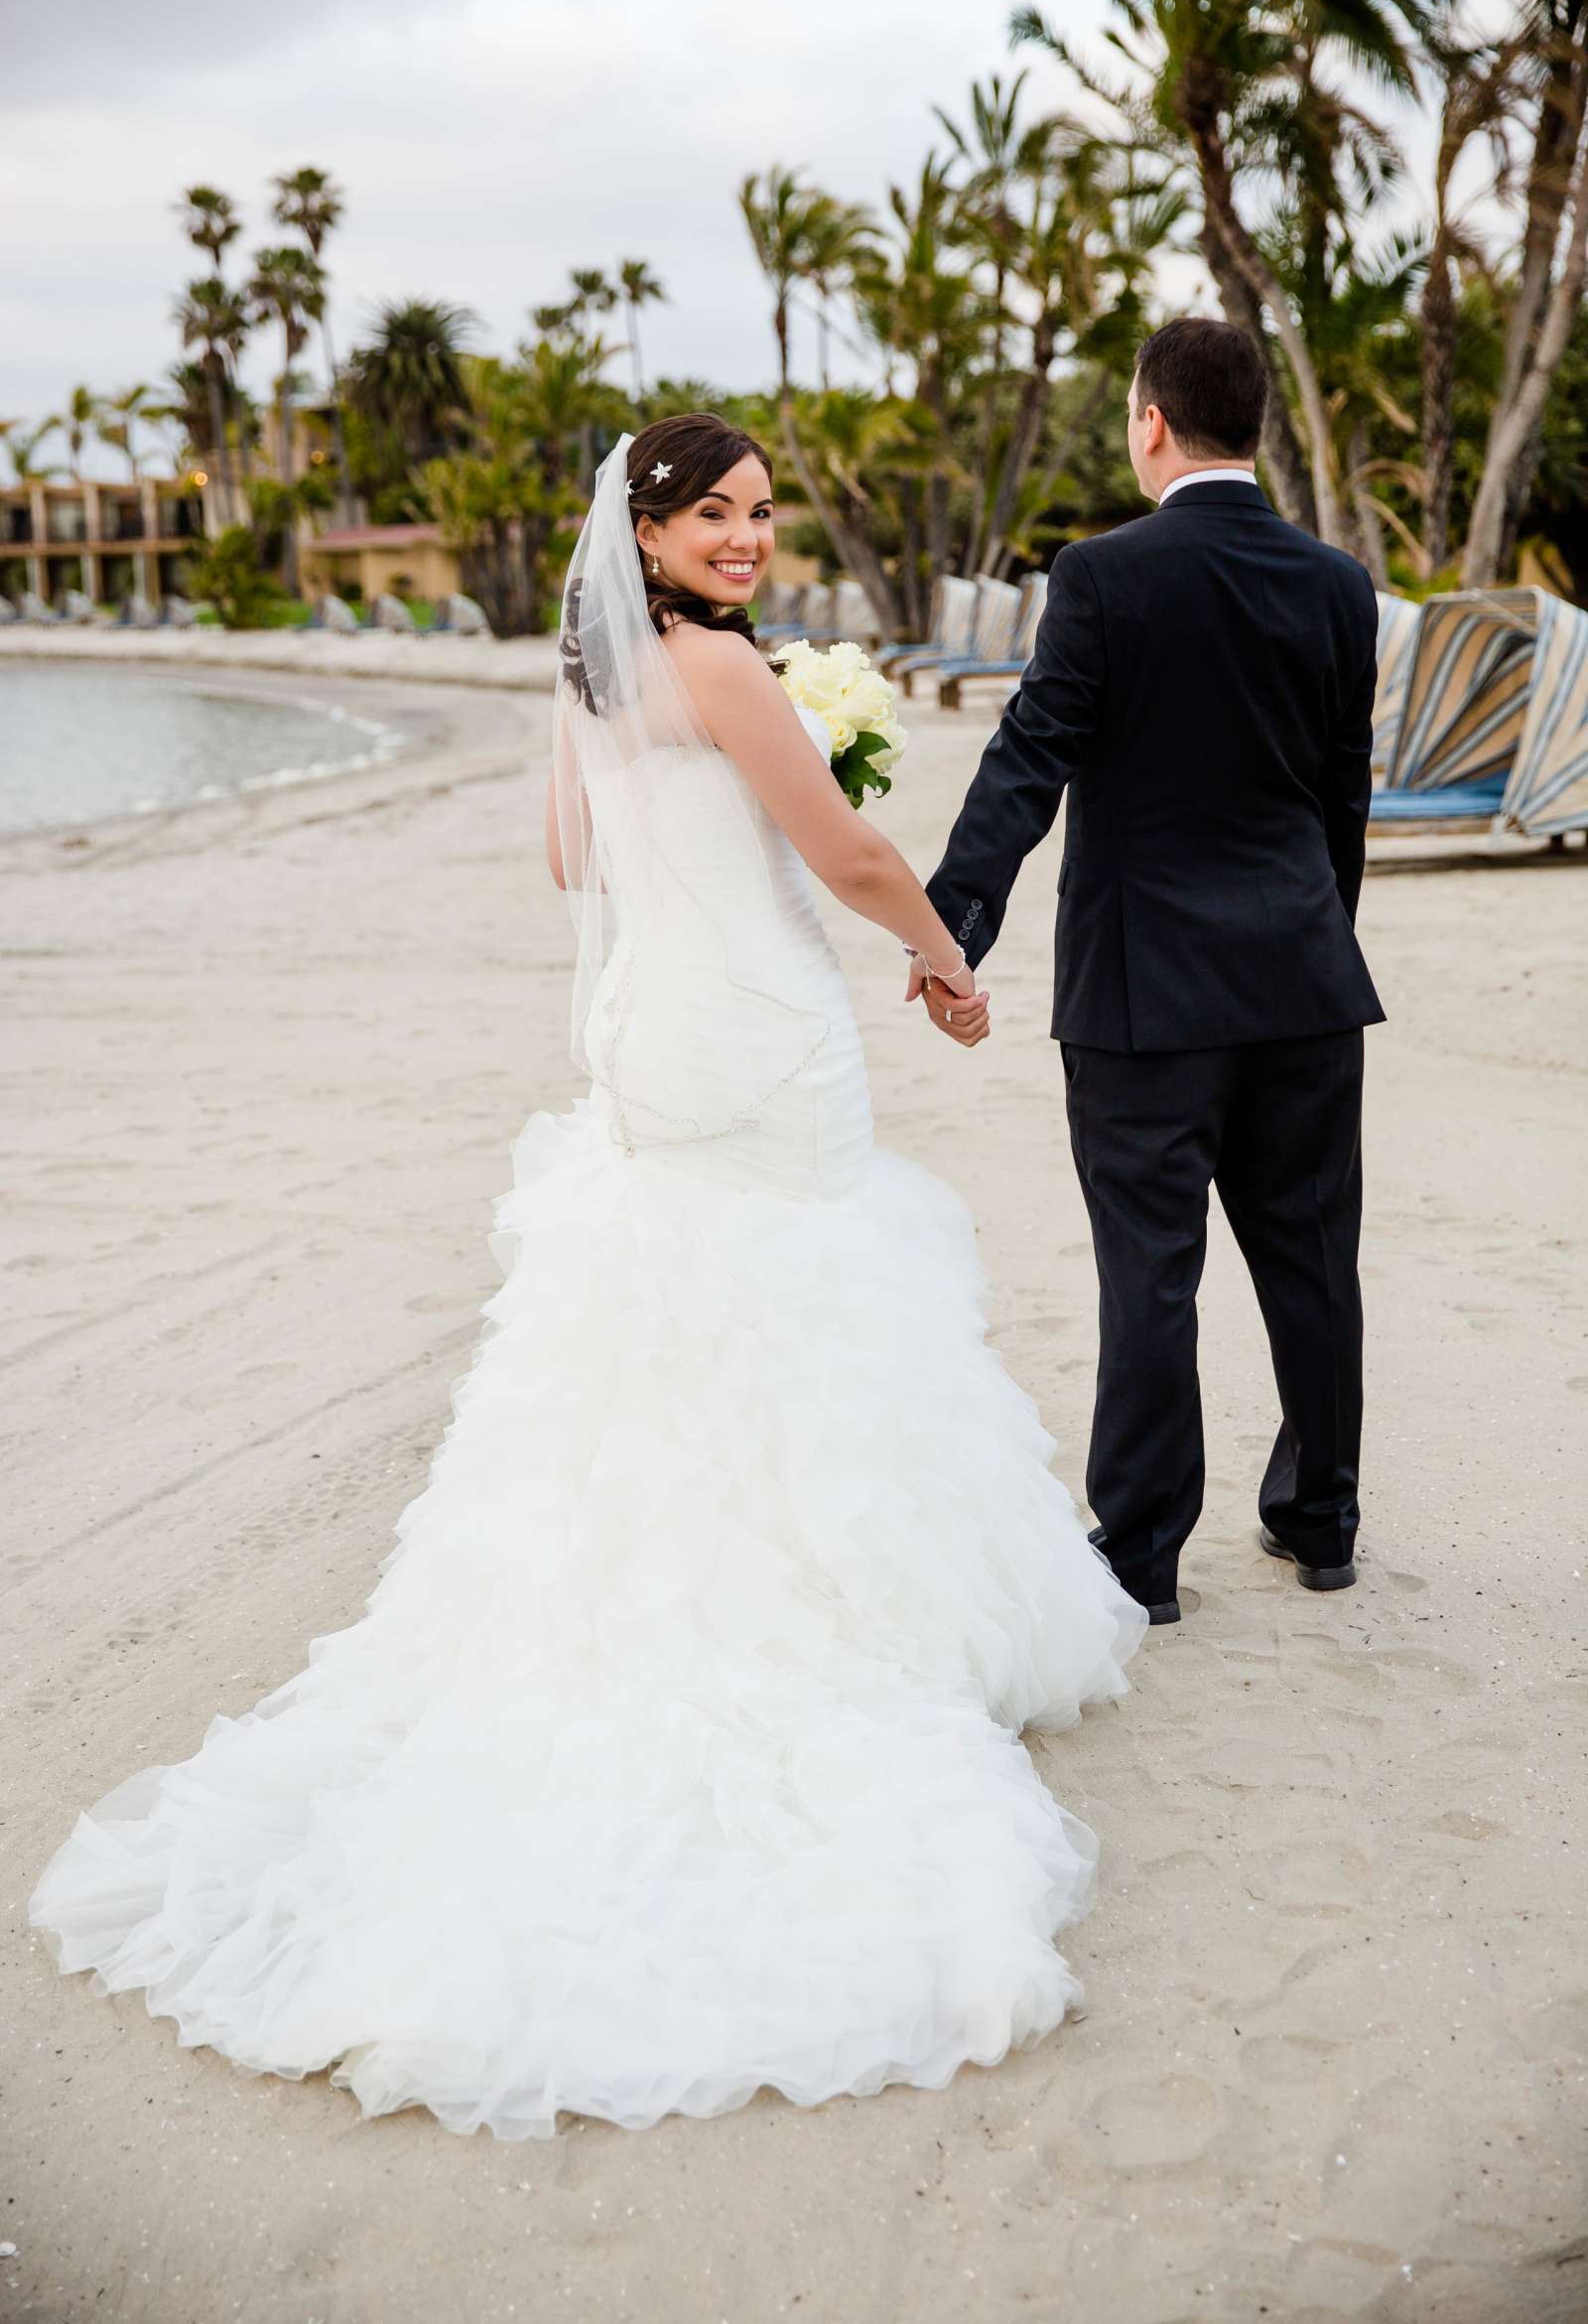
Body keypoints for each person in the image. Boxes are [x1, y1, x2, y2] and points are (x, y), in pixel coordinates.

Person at [29, 414, 1145, 2143]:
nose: (746, 538)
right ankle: (815, 1614)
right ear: (649, 528)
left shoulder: (597, 677)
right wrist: (942, 958)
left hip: (651, 1043)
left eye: (763, 515)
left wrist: (728, 818)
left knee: (673, 1310)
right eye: (716, 515)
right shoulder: (719, 670)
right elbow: (846, 862)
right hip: (760, 1036)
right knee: (798, 1299)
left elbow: (570, 862)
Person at [922, 320, 1384, 1626]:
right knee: (1310, 1257)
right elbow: (1338, 800)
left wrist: (956, 922)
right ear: (1260, 431)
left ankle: (1141, 1560)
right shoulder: (1339, 584)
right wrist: (1314, 936)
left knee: (1150, 1272)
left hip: (1145, 997)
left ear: (1148, 423)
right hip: (1303, 979)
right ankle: (1323, 1522)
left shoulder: (1103, 576)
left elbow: (1030, 761)